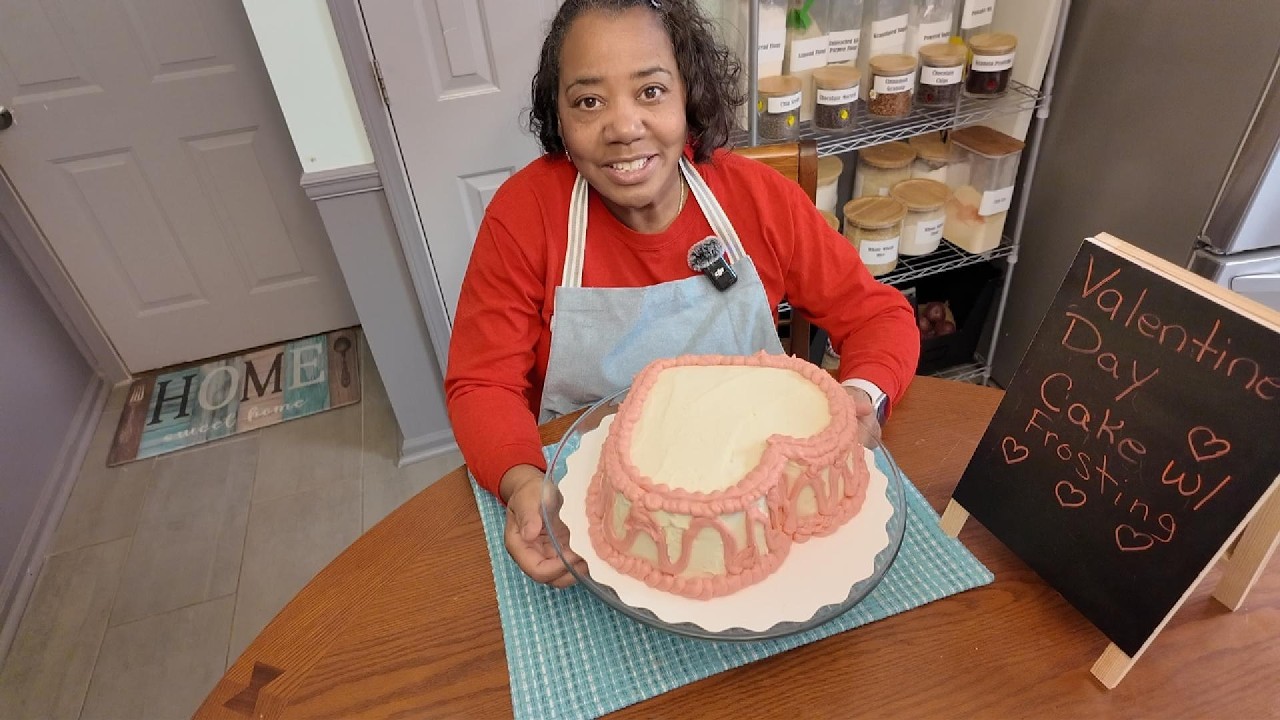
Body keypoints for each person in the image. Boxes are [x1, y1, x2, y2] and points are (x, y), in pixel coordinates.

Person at [444, 0, 919, 588]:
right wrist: (522, 482)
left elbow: (878, 316)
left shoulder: (757, 200)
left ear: (689, 97)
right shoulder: (525, 217)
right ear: (559, 121)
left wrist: (862, 394)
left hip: (756, 509)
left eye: (650, 92)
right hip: (591, 513)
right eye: (588, 101)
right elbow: (481, 383)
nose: (622, 127)